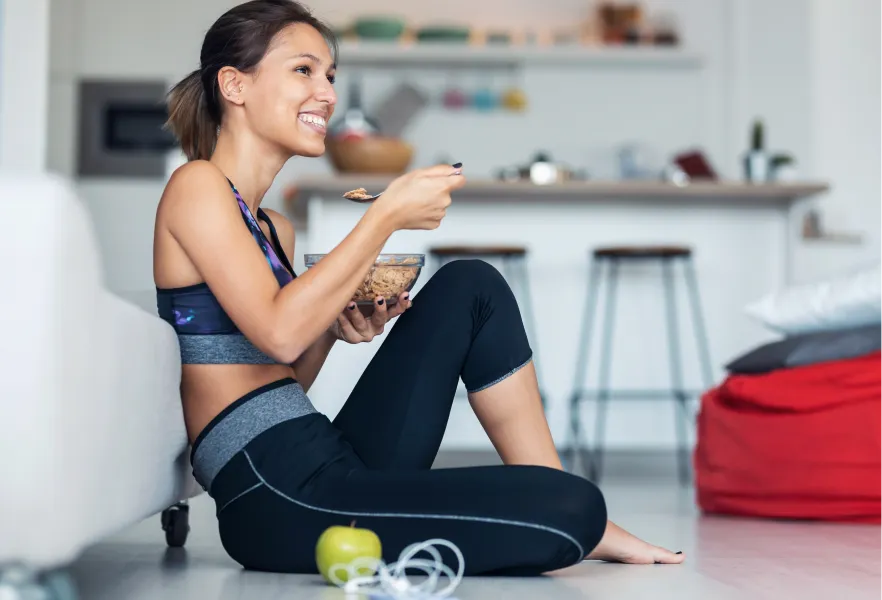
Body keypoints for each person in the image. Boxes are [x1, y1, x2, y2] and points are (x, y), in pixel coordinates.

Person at [153, 0, 684, 576]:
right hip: (270, 490)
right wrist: (384, 218)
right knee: (573, 510)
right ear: (234, 84)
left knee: (471, 287)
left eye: (331, 75)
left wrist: (331, 330)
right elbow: (279, 335)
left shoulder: (272, 225)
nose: (327, 93)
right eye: (304, 70)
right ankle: (582, 519)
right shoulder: (197, 185)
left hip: (321, 453)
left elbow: (279, 371)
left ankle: (575, 512)